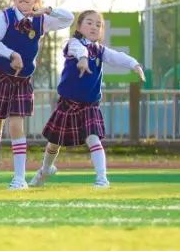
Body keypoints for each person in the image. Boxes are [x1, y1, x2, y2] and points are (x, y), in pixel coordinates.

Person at [0, 0, 73, 189]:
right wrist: (12, 54)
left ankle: (19, 178)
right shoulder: (5, 17)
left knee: (16, 125)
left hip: (22, 81)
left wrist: (48, 10)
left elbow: (68, 19)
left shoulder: (42, 20)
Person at [32, 10, 145, 188]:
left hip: (89, 105)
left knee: (93, 138)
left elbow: (117, 57)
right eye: (90, 23)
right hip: (67, 104)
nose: (94, 27)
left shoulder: (100, 50)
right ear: (79, 26)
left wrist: (135, 64)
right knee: (54, 143)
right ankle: (44, 170)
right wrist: (83, 59)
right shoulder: (73, 43)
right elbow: (79, 50)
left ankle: (102, 179)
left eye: (98, 25)